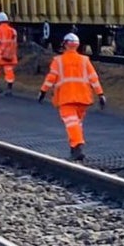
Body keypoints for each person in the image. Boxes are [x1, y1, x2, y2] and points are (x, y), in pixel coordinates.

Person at [38, 33, 106, 162]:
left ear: (65, 44)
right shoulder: (84, 60)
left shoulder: (58, 61)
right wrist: (100, 94)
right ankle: (73, 148)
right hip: (83, 98)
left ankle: (77, 146)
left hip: (66, 98)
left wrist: (43, 91)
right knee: (76, 124)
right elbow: (94, 79)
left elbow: (51, 78)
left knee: (71, 124)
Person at [0, 12, 18, 95]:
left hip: (0, 55)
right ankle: (9, 89)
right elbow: (14, 44)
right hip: (10, 55)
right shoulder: (13, 31)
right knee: (9, 71)